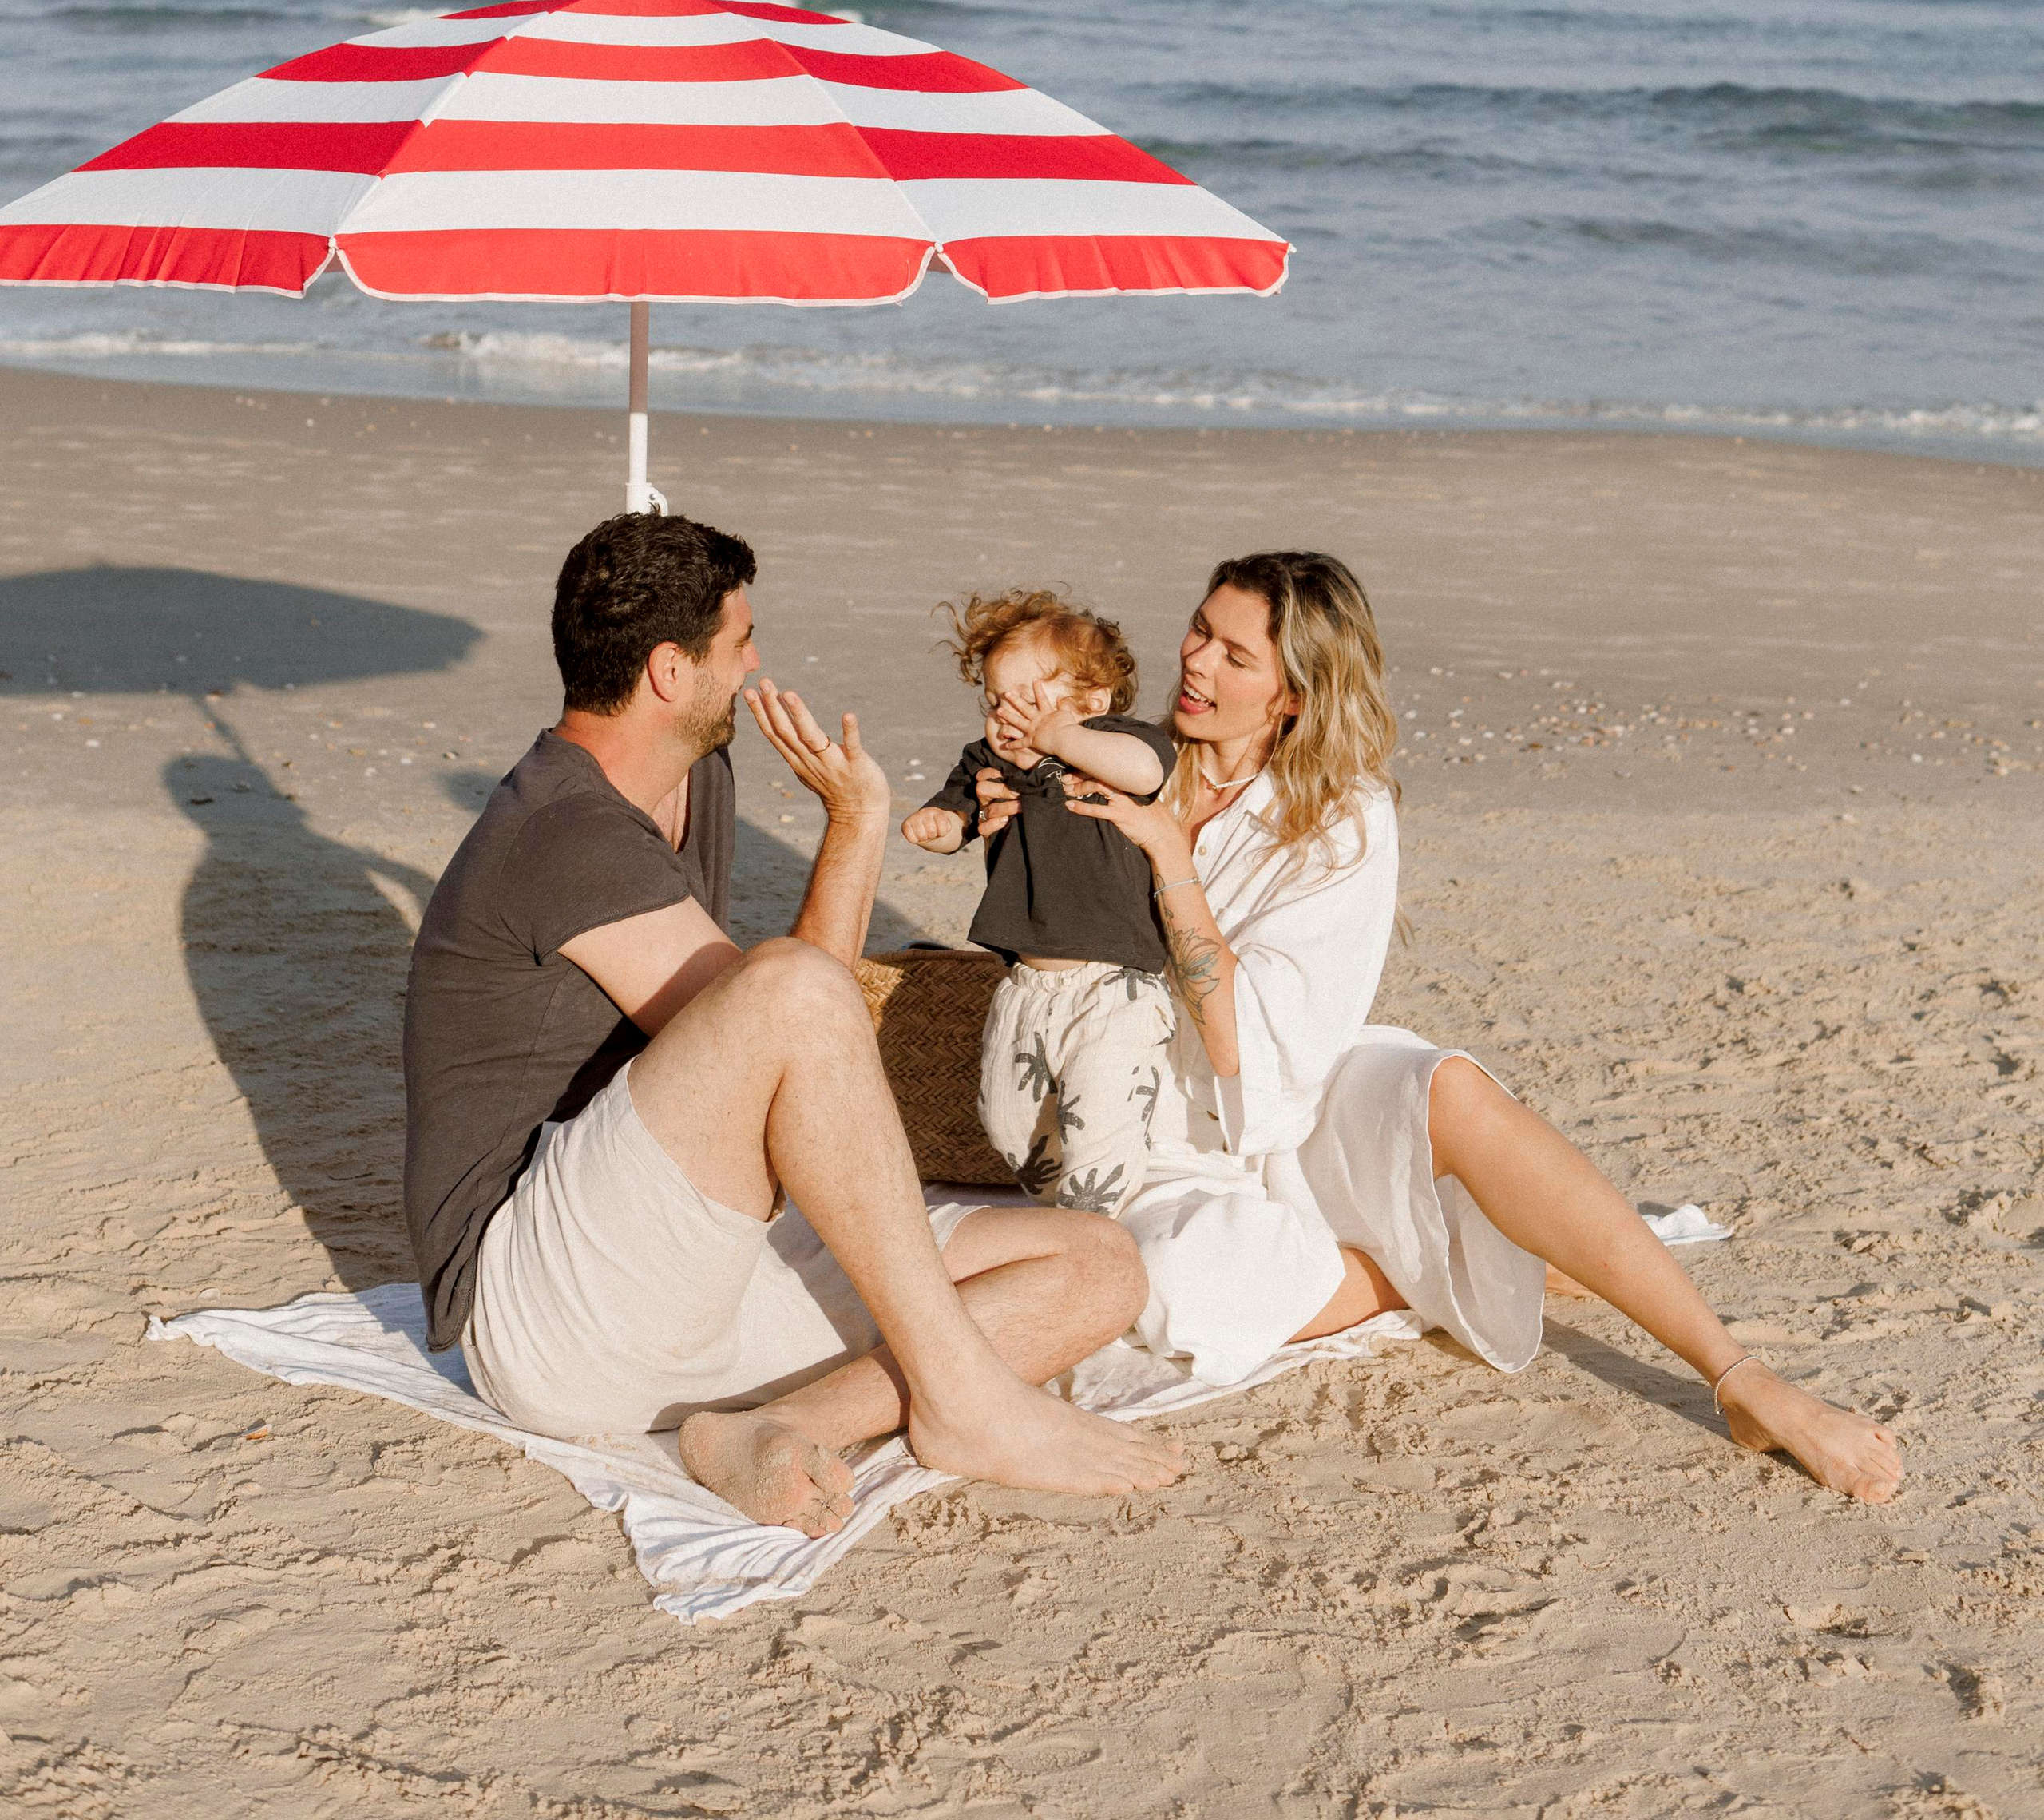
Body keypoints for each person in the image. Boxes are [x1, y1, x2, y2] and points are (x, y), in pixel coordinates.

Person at [1056, 549, 1903, 1505]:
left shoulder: (1340, 816)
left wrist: (1172, 861)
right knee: (1165, 1287)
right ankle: (1425, 1270)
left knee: (1446, 1083)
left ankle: (1744, 1381)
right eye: (1201, 629)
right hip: (1155, 1119)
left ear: (1292, 697)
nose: (1197, 662)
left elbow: (1249, 1042)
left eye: (1235, 655)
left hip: (1291, 1088)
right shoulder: (1125, 763)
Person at [401, 512, 1182, 1539]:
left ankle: (770, 1425)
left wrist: (857, 820)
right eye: (739, 641)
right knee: (790, 988)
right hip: (554, 1307)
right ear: (671, 671)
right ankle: (967, 1402)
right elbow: (786, 1017)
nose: (756, 660)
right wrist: (859, 830)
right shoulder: (565, 832)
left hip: (691, 1253)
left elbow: (774, 1048)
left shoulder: (693, 778)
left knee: (1098, 1266)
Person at [902, 589, 1178, 1212]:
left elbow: (1145, 773)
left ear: (1094, 702)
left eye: (1030, 700)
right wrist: (937, 827)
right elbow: (958, 817)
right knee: (1007, 1124)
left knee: (1099, 1126)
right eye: (997, 701)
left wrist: (1063, 736)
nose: (1011, 716)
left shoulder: (1116, 744)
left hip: (1115, 987)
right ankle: (1068, 1218)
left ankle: (1094, 1228)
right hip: (1026, 984)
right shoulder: (991, 762)